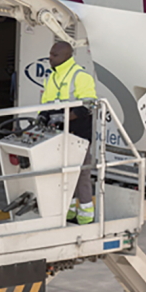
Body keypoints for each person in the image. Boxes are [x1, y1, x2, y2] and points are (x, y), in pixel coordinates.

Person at [41, 39, 98, 224]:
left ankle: (86, 216)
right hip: (58, 135)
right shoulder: (51, 77)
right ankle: (69, 211)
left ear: (67, 56)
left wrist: (65, 117)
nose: (50, 58)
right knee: (64, 174)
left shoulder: (81, 76)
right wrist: (42, 117)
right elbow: (46, 104)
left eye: (54, 55)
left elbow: (88, 106)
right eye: (50, 54)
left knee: (80, 175)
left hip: (78, 135)